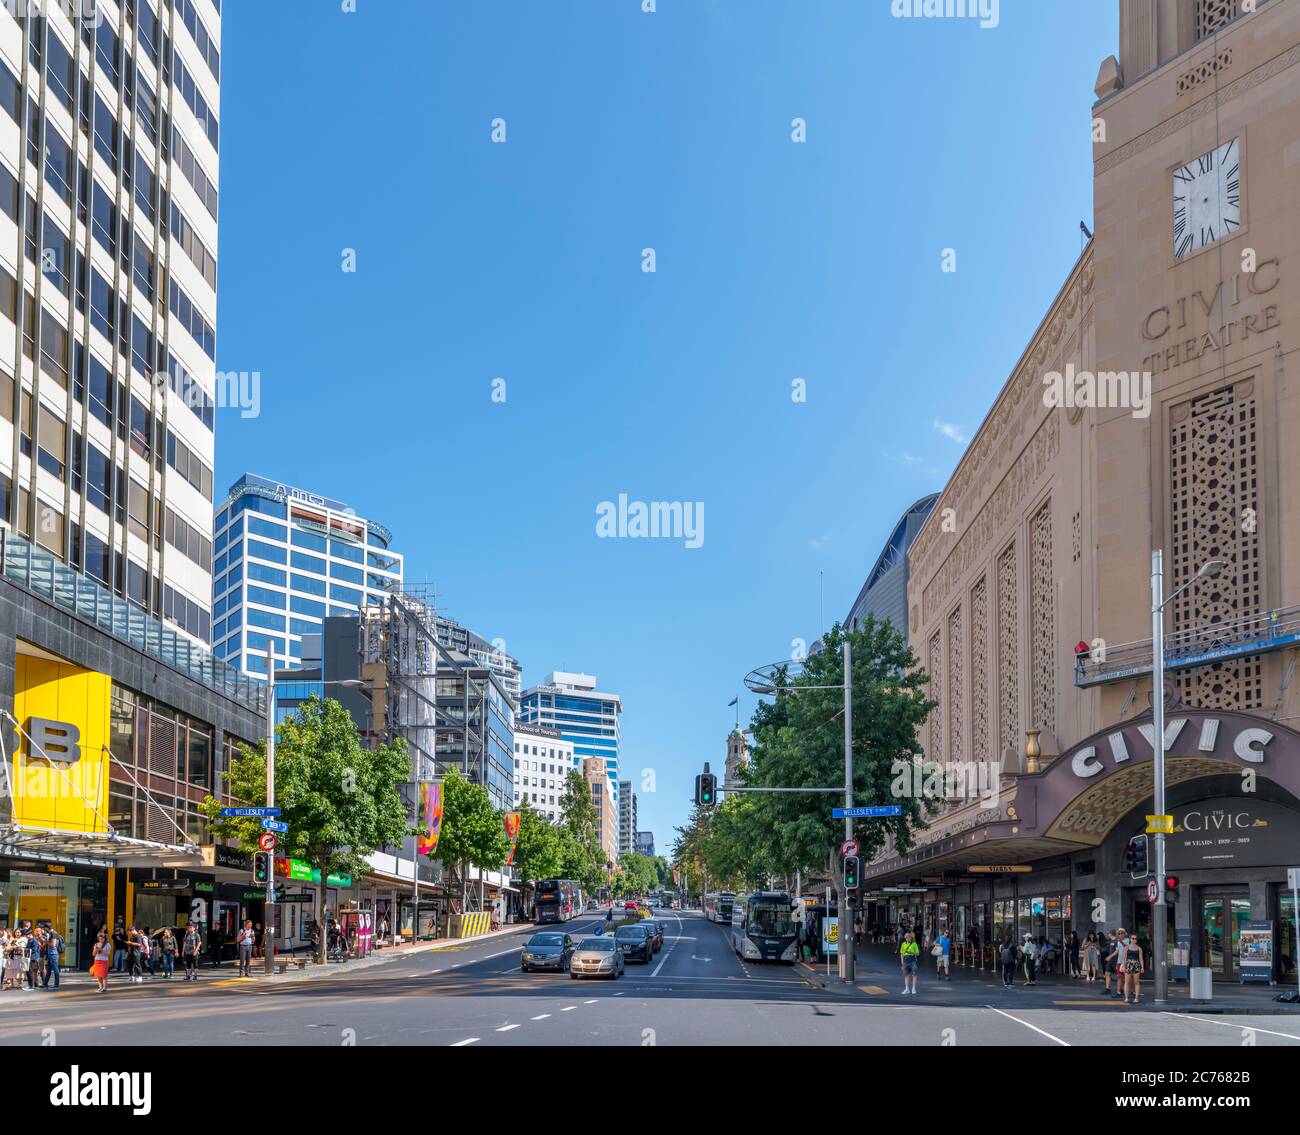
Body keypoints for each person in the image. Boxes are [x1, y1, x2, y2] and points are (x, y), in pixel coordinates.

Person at [1121, 929, 1145, 1004]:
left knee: (1136, 982)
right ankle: (1126, 998)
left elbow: (1141, 958)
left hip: (1136, 964)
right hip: (1128, 964)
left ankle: (1136, 998)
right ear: (1130, 939)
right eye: (1133, 938)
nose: (1134, 940)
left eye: (1135, 939)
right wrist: (1123, 966)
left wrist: (1142, 967)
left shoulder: (1139, 948)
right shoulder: (1126, 947)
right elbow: (1124, 958)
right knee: (1127, 982)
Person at [899, 930, 921, 995]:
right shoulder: (903, 944)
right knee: (906, 975)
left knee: (914, 974)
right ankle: (907, 989)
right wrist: (902, 962)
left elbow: (917, 953)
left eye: (908, 937)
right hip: (906, 961)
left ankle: (913, 988)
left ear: (910, 938)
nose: (907, 939)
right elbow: (901, 954)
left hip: (912, 961)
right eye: (906, 938)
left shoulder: (914, 944)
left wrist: (912, 953)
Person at [42, 926, 64, 990]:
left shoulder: (54, 934)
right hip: (51, 954)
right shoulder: (52, 934)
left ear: (47, 928)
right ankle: (45, 983)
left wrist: (46, 942)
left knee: (55, 969)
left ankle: (56, 984)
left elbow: (53, 945)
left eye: (44, 928)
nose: (44, 930)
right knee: (48, 969)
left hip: (53, 954)